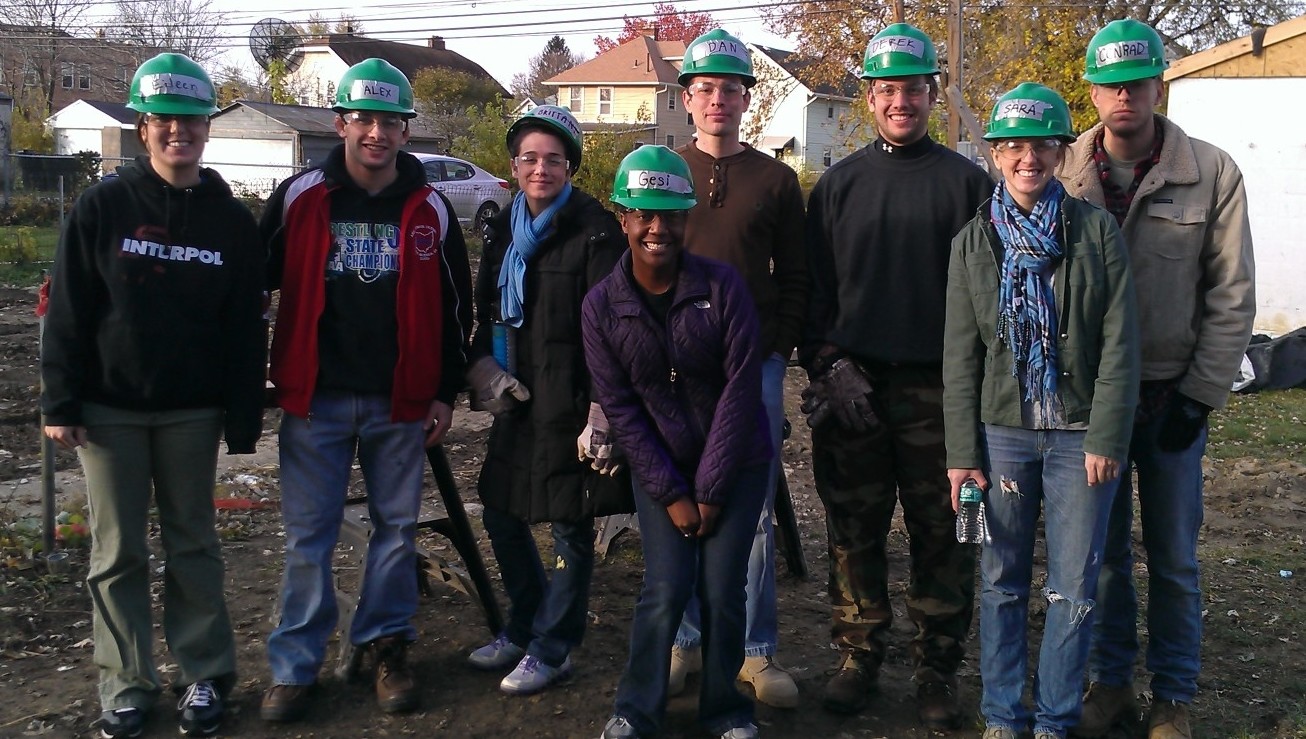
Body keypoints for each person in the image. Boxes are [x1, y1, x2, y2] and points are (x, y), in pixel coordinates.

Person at [40, 52, 267, 739]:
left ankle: (204, 672)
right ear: (144, 126)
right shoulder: (102, 206)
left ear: (206, 128)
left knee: (194, 541)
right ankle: (127, 683)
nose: (180, 133)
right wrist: (60, 401)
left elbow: (244, 324)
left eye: (192, 121)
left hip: (191, 409)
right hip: (109, 409)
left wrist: (242, 414)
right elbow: (70, 308)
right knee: (117, 553)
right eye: (166, 120)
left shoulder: (229, 220)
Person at [259, 58, 473, 722]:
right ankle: (296, 668)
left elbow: (456, 308)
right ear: (340, 123)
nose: (376, 133)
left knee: (396, 529)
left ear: (406, 131)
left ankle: (386, 648)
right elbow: (247, 286)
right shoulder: (299, 197)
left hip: (398, 400)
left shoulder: (431, 207)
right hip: (315, 397)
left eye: (389, 122)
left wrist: (444, 391)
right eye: (364, 120)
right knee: (308, 535)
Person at [1059, 20, 1256, 739]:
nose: (1123, 97)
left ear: (1158, 84)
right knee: (1101, 556)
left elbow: (1232, 295)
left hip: (1173, 398)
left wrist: (1201, 397)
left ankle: (1173, 696)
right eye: (1109, 85)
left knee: (1173, 556)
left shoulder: (1211, 172)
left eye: (1136, 83)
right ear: (1092, 89)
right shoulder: (1063, 172)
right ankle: (1110, 684)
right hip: (1091, 406)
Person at [799, 22, 992, 727]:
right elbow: (812, 291)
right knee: (854, 529)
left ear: (932, 93)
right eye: (887, 90)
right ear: (870, 98)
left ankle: (937, 668)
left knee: (948, 531)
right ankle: (859, 655)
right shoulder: (837, 186)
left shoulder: (969, 184)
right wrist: (824, 360)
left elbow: (991, 297)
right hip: (854, 389)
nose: (900, 101)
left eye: (913, 88)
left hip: (944, 393)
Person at [943, 82, 1141, 739]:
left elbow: (1119, 342)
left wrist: (1107, 433)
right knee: (999, 576)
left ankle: (1055, 717)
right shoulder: (975, 242)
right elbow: (960, 357)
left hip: (1080, 431)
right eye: (1015, 146)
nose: (1029, 158)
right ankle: (1003, 713)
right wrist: (962, 456)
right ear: (996, 154)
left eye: (1042, 144)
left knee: (1074, 584)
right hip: (1003, 434)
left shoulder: (1095, 232)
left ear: (1061, 151)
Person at [585, 146, 771, 739]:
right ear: (623, 218)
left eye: (670, 214)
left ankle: (727, 710)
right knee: (664, 589)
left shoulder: (723, 287)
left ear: (688, 218)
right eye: (644, 214)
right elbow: (621, 409)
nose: (657, 227)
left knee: (721, 591)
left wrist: (712, 490)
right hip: (660, 468)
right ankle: (636, 709)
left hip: (737, 464)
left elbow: (742, 390)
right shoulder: (601, 307)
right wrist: (671, 493)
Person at [463, 105, 631, 695]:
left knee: (570, 524)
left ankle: (555, 648)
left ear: (571, 166)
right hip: (520, 395)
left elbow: (615, 325)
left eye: (553, 159)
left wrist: (603, 409)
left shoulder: (596, 230)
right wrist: (482, 365)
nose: (541, 168)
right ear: (514, 166)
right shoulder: (504, 228)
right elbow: (487, 308)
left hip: (575, 399)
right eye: (530, 158)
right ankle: (526, 623)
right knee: (501, 512)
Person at [668, 28, 808, 709]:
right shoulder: (662, 173)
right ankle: (686, 639)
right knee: (683, 499)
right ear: (687, 99)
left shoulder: (776, 179)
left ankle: (754, 650)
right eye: (706, 89)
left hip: (752, 367)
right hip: (677, 367)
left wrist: (776, 347)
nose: (718, 99)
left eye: (731, 88)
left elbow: (797, 276)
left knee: (750, 511)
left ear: (746, 99)